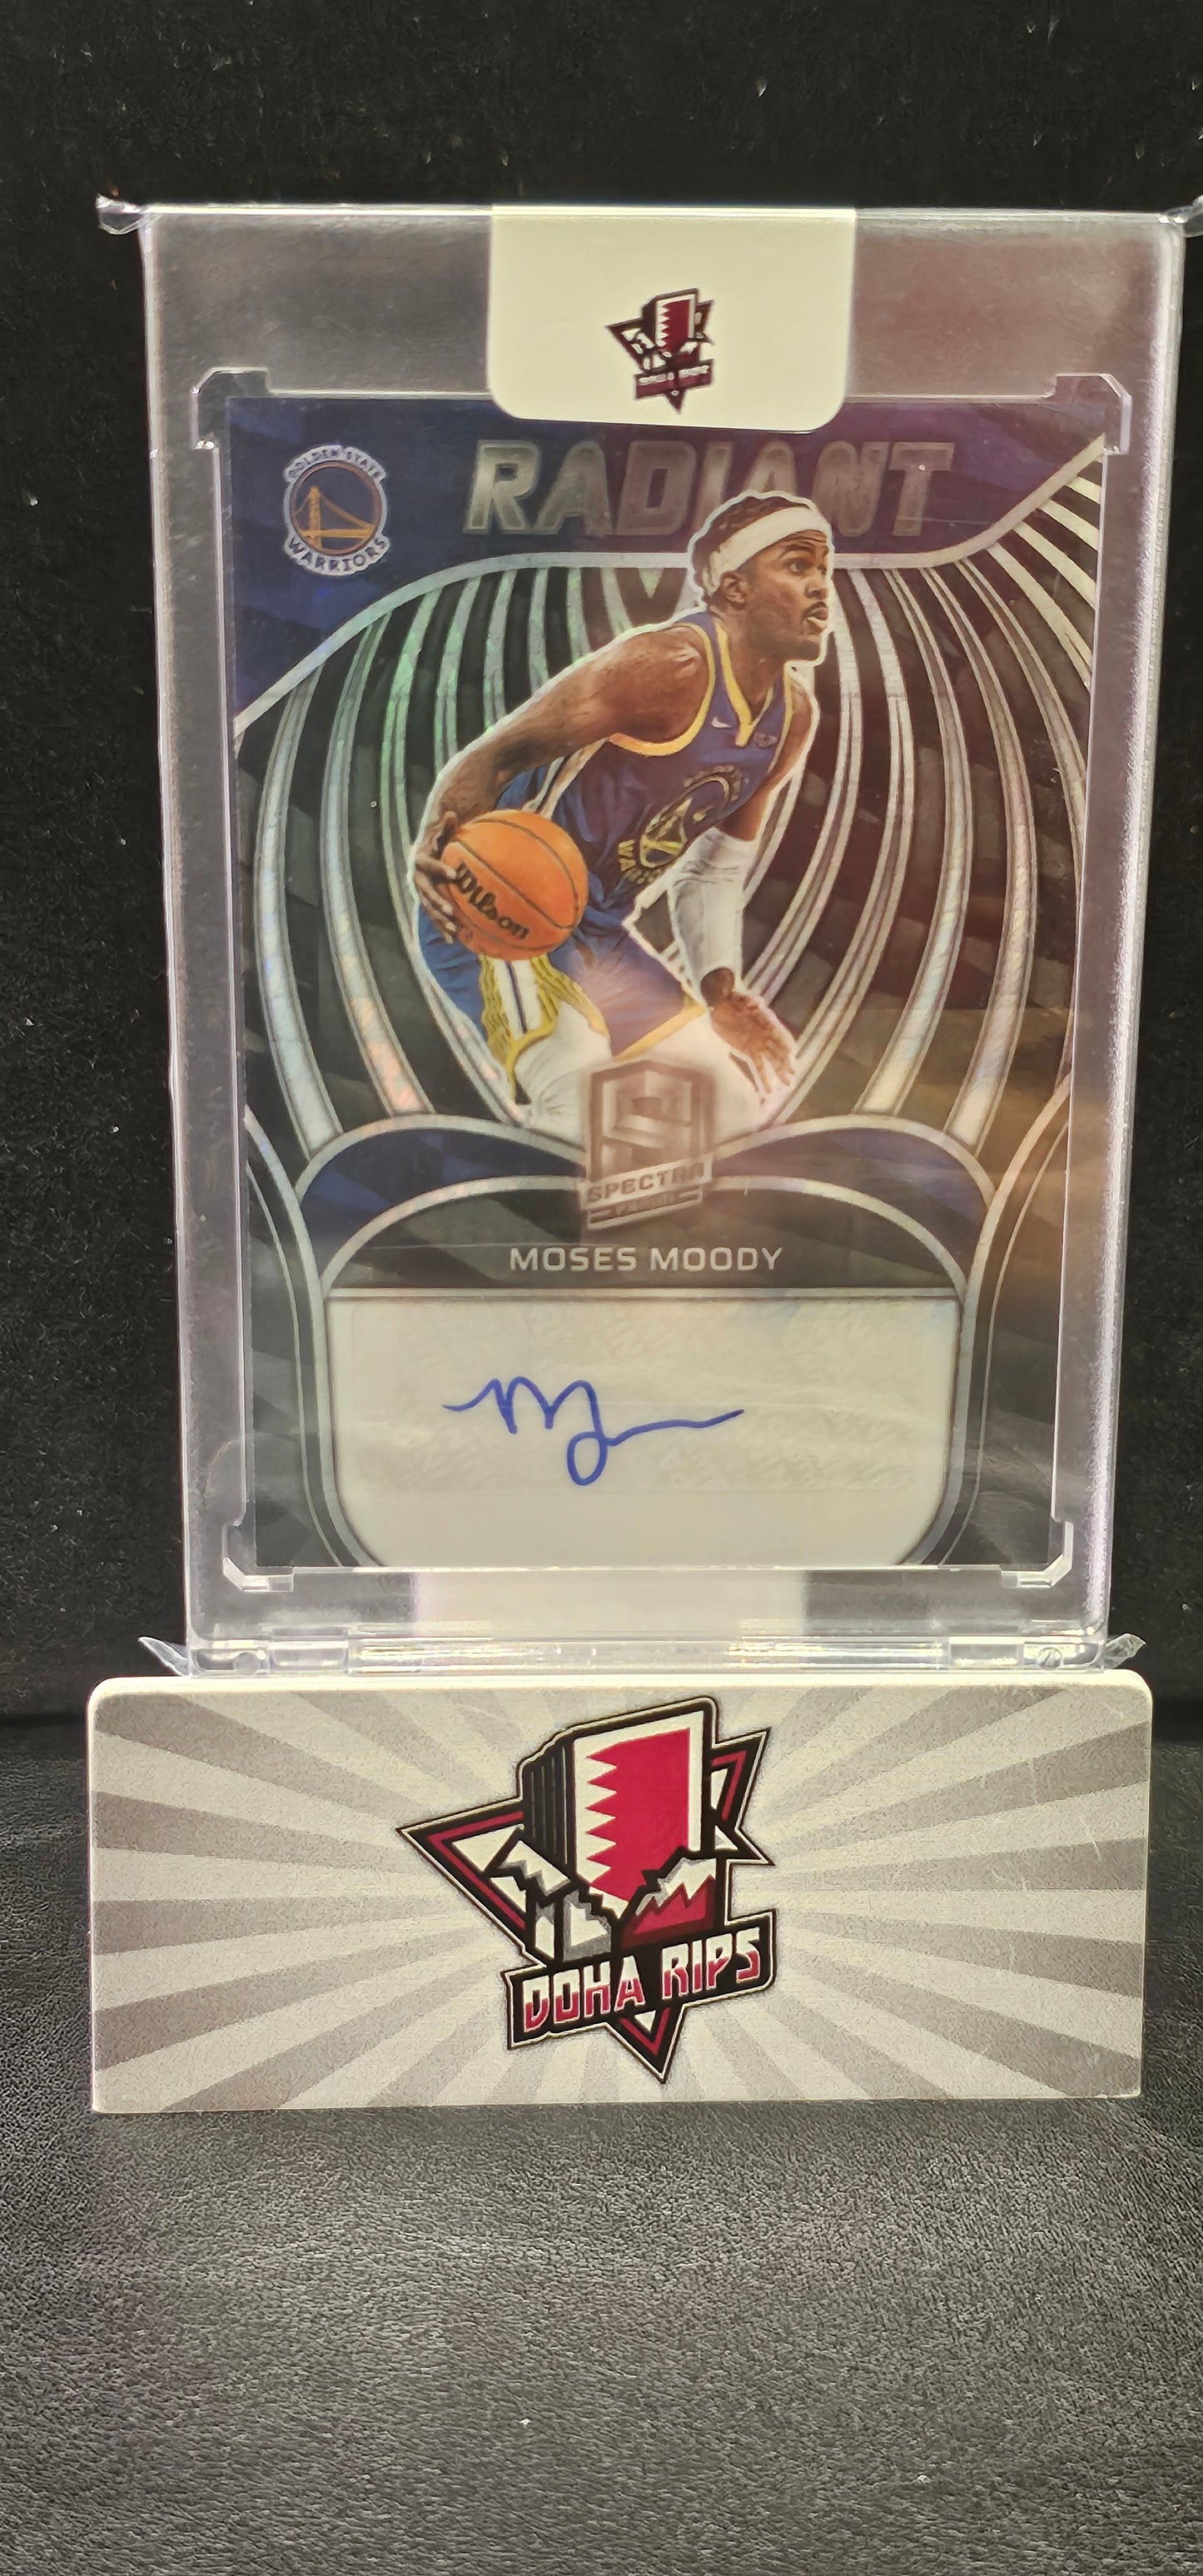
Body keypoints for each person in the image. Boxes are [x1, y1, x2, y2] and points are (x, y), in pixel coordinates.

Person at [412, 489, 833, 1144]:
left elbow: (714, 871)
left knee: (726, 1110)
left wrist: (720, 991)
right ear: (734, 588)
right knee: (579, 1097)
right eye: (798, 565)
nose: (821, 587)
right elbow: (496, 755)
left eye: (824, 569)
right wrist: (437, 847)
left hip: (599, 937)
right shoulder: (666, 666)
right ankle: (519, 1201)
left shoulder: (791, 719)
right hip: (504, 909)